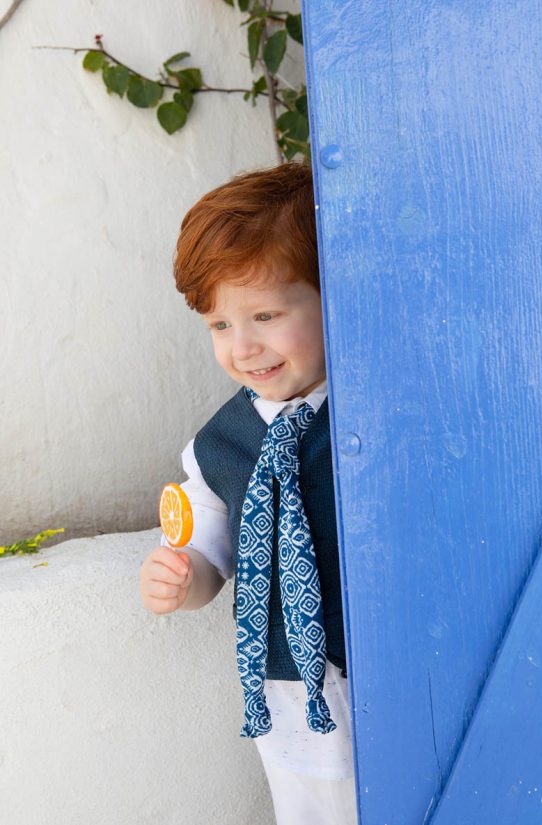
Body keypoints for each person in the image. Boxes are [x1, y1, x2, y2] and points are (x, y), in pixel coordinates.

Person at [139, 162, 358, 825]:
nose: (244, 346)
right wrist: (185, 577)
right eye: (220, 325)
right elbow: (209, 548)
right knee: (314, 808)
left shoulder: (366, 417)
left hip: (389, 663)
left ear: (333, 294)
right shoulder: (219, 444)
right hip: (290, 686)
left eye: (265, 314)